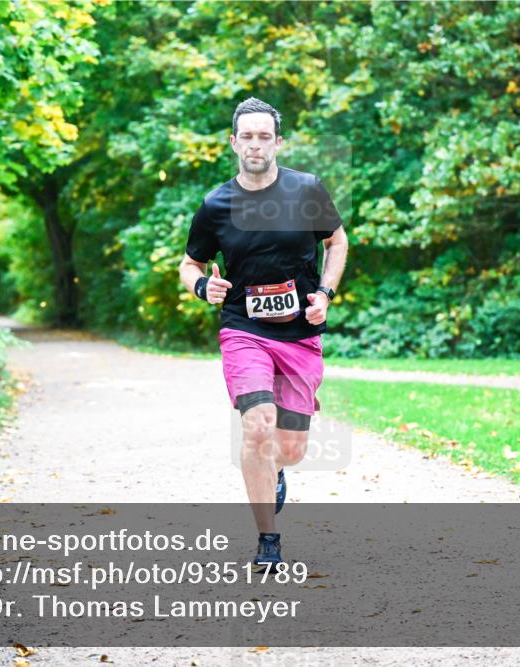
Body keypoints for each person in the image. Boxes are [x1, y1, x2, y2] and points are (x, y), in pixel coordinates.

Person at [178, 97, 349, 570]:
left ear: (278, 142)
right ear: (233, 143)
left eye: (264, 136)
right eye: (247, 136)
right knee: (256, 427)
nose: (256, 144)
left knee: (290, 450)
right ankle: (268, 541)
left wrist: (325, 294)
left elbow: (337, 241)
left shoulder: (307, 190)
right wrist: (201, 286)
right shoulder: (216, 204)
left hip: (298, 335)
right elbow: (189, 262)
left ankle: (275, 473)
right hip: (242, 328)